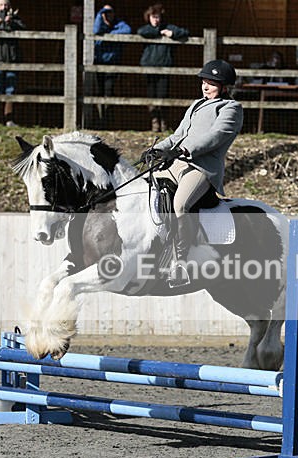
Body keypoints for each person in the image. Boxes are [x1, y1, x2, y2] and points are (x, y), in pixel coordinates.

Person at [141, 60, 242, 287]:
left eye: (212, 83)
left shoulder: (231, 108)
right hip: (178, 163)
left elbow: (216, 136)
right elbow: (178, 135)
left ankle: (180, 263)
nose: (205, 86)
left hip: (202, 168)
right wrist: (157, 149)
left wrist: (185, 149)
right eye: (204, 81)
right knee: (145, 188)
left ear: (224, 87)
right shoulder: (196, 104)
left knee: (180, 205)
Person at [137, 4, 189, 132]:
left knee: (163, 94)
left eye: (158, 17)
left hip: (164, 67)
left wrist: (172, 33)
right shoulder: (147, 29)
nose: (156, 20)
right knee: (151, 95)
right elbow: (141, 31)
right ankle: (154, 122)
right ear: (149, 17)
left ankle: (164, 122)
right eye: (153, 17)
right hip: (149, 67)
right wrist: (159, 32)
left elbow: (185, 32)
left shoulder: (168, 27)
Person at [92, 5, 131, 127]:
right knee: (99, 91)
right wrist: (100, 15)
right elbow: (96, 30)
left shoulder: (119, 24)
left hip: (113, 63)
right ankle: (100, 119)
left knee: (109, 91)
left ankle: (108, 120)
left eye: (110, 12)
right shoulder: (100, 24)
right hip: (99, 62)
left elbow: (127, 30)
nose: (108, 14)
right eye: (106, 12)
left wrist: (109, 34)